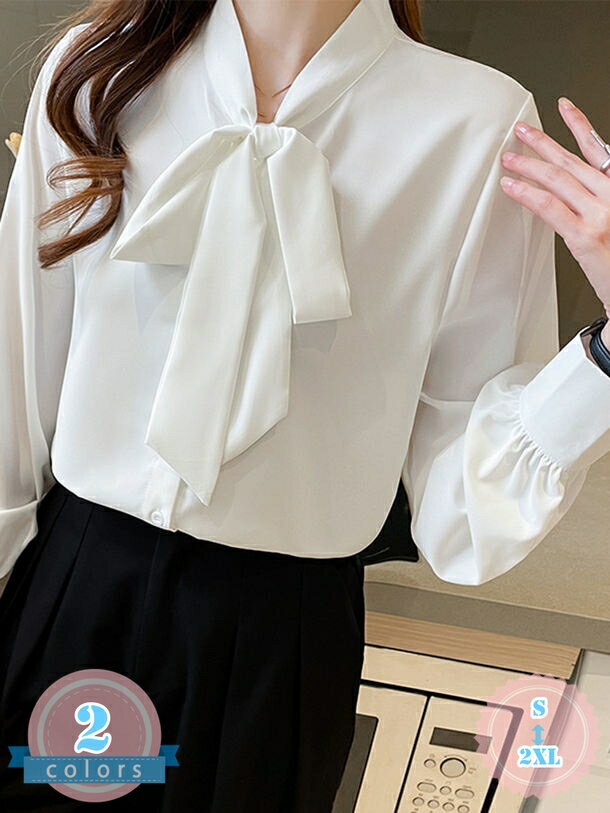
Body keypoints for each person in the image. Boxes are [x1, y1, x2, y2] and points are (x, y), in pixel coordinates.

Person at [1, 0, 610, 810]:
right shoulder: (101, 69)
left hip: (279, 647)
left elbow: (460, 506)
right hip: (73, 595)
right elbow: (13, 379)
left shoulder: (477, 124)